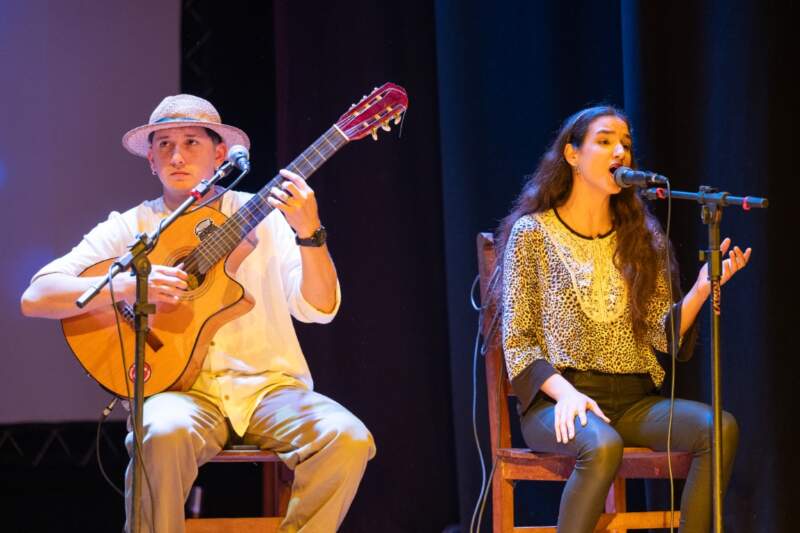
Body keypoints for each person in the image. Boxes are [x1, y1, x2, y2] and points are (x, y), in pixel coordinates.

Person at [20, 94, 375, 532]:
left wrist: (310, 233)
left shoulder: (259, 216)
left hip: (269, 389)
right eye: (164, 145)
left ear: (220, 154)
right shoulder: (132, 228)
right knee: (160, 433)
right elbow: (36, 296)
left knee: (348, 438)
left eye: (191, 142)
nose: (177, 155)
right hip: (179, 392)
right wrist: (129, 285)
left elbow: (320, 310)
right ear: (150, 159)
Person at [494, 105, 749, 532]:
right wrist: (567, 395)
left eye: (626, 145)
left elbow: (659, 335)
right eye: (606, 140)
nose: (620, 153)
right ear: (572, 155)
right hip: (559, 403)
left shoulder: (642, 238)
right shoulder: (532, 233)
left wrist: (703, 287)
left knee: (718, 430)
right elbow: (517, 339)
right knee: (603, 446)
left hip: (632, 400)